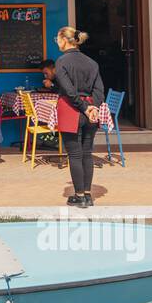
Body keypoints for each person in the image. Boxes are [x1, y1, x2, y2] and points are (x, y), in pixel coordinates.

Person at [52, 26, 105, 208]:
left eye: (58, 39)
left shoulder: (61, 62)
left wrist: (83, 107)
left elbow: (68, 90)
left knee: (74, 154)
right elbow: (99, 90)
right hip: (90, 110)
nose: (57, 42)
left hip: (71, 109)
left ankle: (79, 195)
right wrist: (93, 108)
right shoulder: (92, 62)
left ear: (64, 40)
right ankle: (88, 195)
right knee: (87, 153)